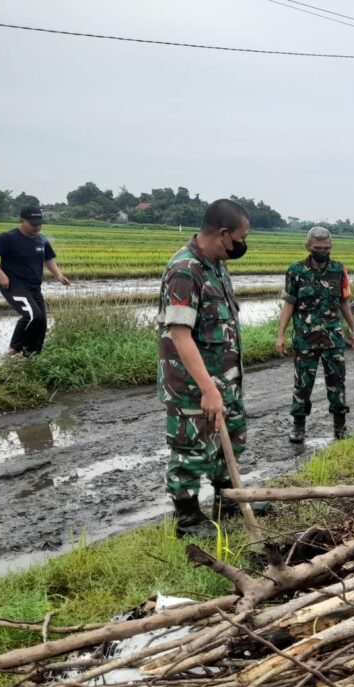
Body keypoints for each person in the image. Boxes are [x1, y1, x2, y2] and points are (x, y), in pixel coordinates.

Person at [157, 199, 253, 537]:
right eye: (241, 237)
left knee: (231, 439)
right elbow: (180, 335)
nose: (243, 244)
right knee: (189, 448)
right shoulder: (185, 270)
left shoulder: (215, 264)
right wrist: (209, 389)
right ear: (224, 233)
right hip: (192, 384)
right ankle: (188, 520)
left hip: (223, 379)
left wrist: (222, 386)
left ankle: (227, 503)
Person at [276, 226, 354, 443]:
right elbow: (289, 305)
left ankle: (340, 427)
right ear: (308, 247)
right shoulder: (295, 271)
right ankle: (298, 426)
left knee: (337, 382)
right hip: (305, 339)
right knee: (303, 384)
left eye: (327, 248)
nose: (323, 251)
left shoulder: (339, 270)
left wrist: (353, 328)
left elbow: (344, 302)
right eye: (318, 248)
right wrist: (281, 334)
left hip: (333, 338)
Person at [0, 206, 71, 356]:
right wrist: (0, 274)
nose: (37, 227)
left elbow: (48, 259)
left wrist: (59, 276)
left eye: (39, 224)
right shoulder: (9, 237)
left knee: (41, 321)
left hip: (34, 287)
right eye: (33, 224)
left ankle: (32, 356)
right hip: (14, 285)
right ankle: (13, 350)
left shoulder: (42, 240)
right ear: (22, 221)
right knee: (33, 315)